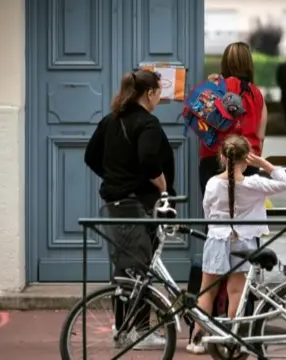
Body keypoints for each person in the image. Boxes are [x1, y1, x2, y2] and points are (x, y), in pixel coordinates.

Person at [84, 69, 175, 350]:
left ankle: (124, 329)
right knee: (137, 268)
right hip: (137, 204)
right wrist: (162, 186)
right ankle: (140, 332)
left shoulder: (110, 121)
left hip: (118, 203)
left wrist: (115, 177)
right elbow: (148, 160)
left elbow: (91, 157)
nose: (160, 96)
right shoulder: (147, 123)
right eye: (159, 91)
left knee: (126, 269)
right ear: (149, 93)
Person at [187, 135, 286, 354]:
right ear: (247, 159)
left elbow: (208, 212)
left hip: (217, 239)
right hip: (243, 242)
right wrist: (263, 163)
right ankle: (231, 338)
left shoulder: (212, 183)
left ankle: (197, 340)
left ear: (222, 158)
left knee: (206, 291)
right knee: (236, 291)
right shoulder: (255, 184)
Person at [197, 41, 268, 327]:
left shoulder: (213, 88)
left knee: (215, 229)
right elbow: (260, 134)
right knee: (246, 233)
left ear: (224, 63)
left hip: (213, 162)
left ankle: (205, 322)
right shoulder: (257, 95)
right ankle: (241, 318)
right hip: (247, 162)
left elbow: (200, 125)